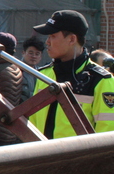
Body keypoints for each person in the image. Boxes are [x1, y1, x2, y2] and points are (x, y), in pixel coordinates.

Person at [30, 10, 114, 138]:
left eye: (52, 36)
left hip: (80, 158)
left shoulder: (101, 80)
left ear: (72, 39)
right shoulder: (44, 75)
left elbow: (107, 136)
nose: (47, 42)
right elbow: (33, 122)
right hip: (42, 156)